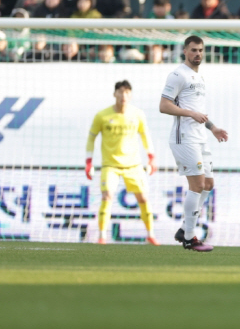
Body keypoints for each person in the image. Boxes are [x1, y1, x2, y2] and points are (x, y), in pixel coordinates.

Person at [160, 36, 229, 251]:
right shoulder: (177, 75)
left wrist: (213, 127)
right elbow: (164, 105)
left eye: (200, 50)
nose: (197, 54)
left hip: (200, 137)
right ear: (185, 51)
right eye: (193, 50)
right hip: (184, 138)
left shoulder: (199, 78)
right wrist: (190, 113)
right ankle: (189, 237)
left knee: (208, 185)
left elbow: (199, 112)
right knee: (198, 185)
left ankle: (184, 228)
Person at [86, 80, 158, 245]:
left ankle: (151, 234)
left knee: (144, 198)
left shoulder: (137, 114)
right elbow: (91, 138)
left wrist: (151, 158)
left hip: (133, 165)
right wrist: (88, 161)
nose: (123, 96)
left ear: (130, 95)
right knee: (107, 196)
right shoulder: (102, 116)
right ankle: (102, 236)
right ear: (114, 94)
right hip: (110, 165)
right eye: (120, 92)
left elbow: (145, 136)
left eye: (126, 92)